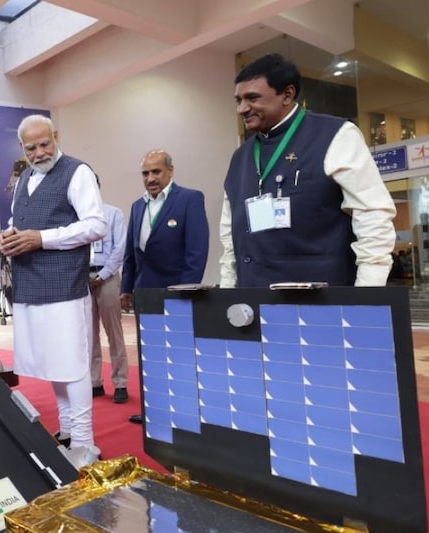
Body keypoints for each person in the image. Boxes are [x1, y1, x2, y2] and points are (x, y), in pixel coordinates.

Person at [219, 53, 396, 288]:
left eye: (252, 98)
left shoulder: (336, 135)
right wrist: (228, 290)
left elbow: (372, 215)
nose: (242, 109)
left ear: (287, 94)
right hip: (252, 297)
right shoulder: (240, 156)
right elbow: (229, 235)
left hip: (319, 299)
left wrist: (367, 293)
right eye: (238, 100)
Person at [0, 114, 107, 468]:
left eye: (45, 144)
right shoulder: (24, 179)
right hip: (29, 284)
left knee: (72, 363)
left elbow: (96, 225)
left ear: (56, 136)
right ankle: (67, 432)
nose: (39, 153)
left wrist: (41, 239)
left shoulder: (77, 172)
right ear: (22, 148)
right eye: (31, 148)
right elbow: (20, 223)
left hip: (64, 284)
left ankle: (85, 443)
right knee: (53, 363)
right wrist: (9, 237)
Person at [120, 149, 209, 424]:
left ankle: (184, 410)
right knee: (151, 354)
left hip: (177, 293)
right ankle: (154, 408)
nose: (150, 178)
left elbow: (196, 252)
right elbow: (131, 252)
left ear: (170, 171)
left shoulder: (190, 199)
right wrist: (126, 287)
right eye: (145, 173)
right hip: (145, 293)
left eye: (156, 171)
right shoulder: (137, 206)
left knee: (180, 354)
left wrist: (186, 291)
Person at [88, 183, 129, 404]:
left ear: (97, 187)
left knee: (114, 331)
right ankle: (94, 382)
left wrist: (102, 275)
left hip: (108, 277)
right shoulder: (76, 218)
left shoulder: (113, 213)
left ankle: (120, 382)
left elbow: (120, 248)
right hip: (83, 279)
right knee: (88, 334)